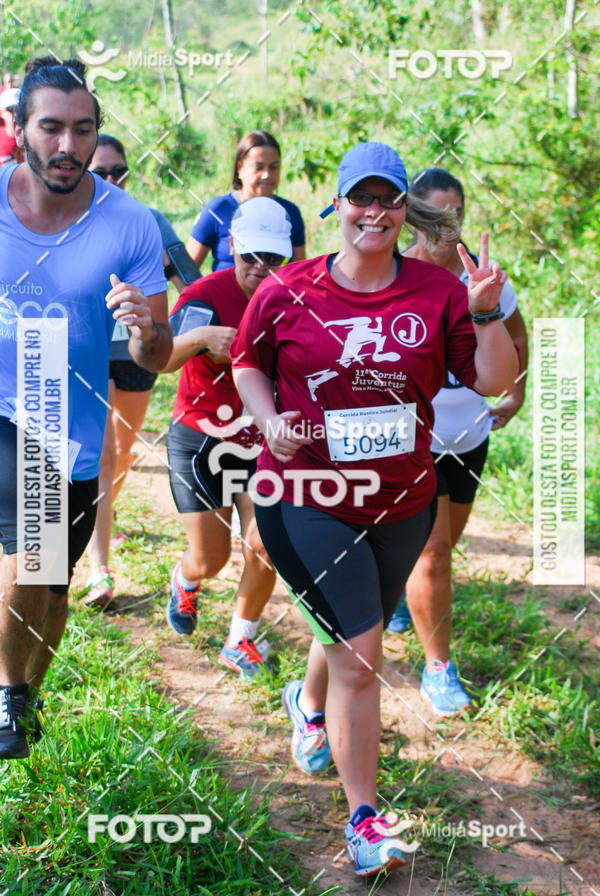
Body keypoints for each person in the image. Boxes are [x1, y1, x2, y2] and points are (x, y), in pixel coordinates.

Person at [230, 142, 518, 877]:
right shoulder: (287, 289)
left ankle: (307, 696)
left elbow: (490, 381)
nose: (373, 213)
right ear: (337, 206)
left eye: (387, 200)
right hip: (307, 495)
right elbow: (245, 359)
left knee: (347, 646)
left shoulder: (437, 290)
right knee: (363, 656)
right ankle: (364, 821)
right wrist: (266, 421)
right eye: (359, 199)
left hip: (403, 503)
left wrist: (485, 313)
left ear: (402, 210)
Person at [0, 56, 171, 760]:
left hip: (69, 420)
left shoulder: (129, 223)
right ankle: (8, 696)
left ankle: (26, 694)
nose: (67, 146)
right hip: (9, 416)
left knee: (52, 584)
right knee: (24, 550)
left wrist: (143, 331)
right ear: (17, 130)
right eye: (51, 129)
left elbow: (158, 353)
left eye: (82, 130)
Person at [387, 168, 528, 716]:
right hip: (412, 442)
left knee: (446, 545)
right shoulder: (395, 275)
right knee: (435, 552)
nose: (447, 229)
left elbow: (516, 336)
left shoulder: (485, 277)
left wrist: (514, 393)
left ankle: (402, 591)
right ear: (414, 217)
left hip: (468, 436)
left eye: (455, 216)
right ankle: (438, 667)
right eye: (434, 216)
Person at [163, 197, 293, 677]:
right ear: (232, 246)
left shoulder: (292, 296)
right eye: (250, 257)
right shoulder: (204, 294)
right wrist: (202, 339)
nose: (261, 268)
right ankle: (185, 578)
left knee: (267, 543)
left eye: (273, 259)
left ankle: (240, 639)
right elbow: (164, 357)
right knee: (210, 558)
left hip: (261, 441)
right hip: (202, 436)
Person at [84, 134, 199, 608]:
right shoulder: (69, 221)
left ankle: (98, 518)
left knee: (124, 451)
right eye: (102, 171)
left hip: (141, 348)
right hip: (89, 351)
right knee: (104, 453)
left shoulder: (146, 220)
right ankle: (99, 571)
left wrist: (194, 332)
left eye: (120, 172)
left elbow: (190, 280)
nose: (113, 180)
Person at [185, 129, 305, 272]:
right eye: (258, 167)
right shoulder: (218, 210)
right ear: (240, 168)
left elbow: (300, 273)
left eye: (274, 167)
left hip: (275, 294)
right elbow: (187, 271)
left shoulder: (290, 213)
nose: (267, 175)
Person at [0, 88, 24, 166]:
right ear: (1, 113)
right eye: (11, 110)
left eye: (20, 109)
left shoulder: (31, 137)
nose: (16, 114)